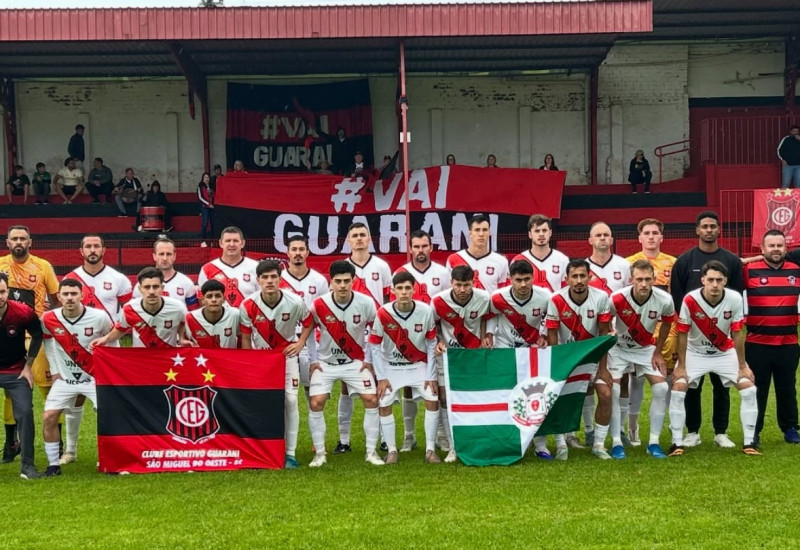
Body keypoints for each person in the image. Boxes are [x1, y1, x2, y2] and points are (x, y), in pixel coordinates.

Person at [669, 260, 759, 457]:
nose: (715, 284)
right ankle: (678, 442)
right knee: (678, 387)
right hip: (695, 352)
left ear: (725, 280)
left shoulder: (734, 298)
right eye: (710, 280)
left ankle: (747, 442)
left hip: (724, 352)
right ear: (703, 280)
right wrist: (681, 366)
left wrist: (743, 366)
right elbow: (682, 333)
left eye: (719, 280)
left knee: (749, 388)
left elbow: (737, 333)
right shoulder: (690, 299)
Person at [671, 211, 744, 449]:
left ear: (719, 230)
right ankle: (692, 431)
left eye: (713, 226)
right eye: (705, 226)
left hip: (723, 337)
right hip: (694, 337)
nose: (709, 230)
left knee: (722, 387)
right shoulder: (684, 261)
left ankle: (721, 432)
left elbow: (737, 296)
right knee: (692, 386)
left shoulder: (731, 261)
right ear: (697, 230)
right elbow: (677, 297)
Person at [61, 234, 133, 465]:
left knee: (109, 400)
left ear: (104, 249)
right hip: (77, 347)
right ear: (80, 251)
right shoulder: (71, 278)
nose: (93, 250)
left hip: (109, 347)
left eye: (96, 246)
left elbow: (128, 310)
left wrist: (113, 335)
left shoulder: (119, 279)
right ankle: (70, 451)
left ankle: (111, 450)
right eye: (88, 246)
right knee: (76, 398)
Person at [240, 260, 314, 470]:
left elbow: (309, 323)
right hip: (261, 359)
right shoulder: (247, 305)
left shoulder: (295, 301)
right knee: (261, 403)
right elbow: (245, 338)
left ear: (280, 279)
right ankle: (263, 449)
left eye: (273, 277)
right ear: (258, 281)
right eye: (265, 277)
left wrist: (300, 342)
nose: (269, 281)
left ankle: (290, 453)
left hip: (287, 356)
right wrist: (249, 363)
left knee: (290, 401)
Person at [306, 261, 381, 468]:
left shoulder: (366, 303)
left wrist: (369, 360)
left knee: (371, 399)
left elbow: (376, 333)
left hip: (355, 362)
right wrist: (313, 360)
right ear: (331, 282)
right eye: (337, 281)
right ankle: (320, 454)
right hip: (325, 363)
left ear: (353, 281)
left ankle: (371, 452)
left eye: (346, 281)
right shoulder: (318, 304)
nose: (342, 286)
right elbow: (309, 332)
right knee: (316, 402)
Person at [40, 279, 112, 477]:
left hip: (94, 378)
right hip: (65, 380)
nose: (70, 298)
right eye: (66, 294)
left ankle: (108, 460)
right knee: (49, 417)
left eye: (74, 293)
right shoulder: (48, 318)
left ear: (82, 296)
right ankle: (53, 465)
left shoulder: (99, 317)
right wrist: (55, 370)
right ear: (59, 296)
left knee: (108, 415)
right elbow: (47, 343)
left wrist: (110, 373)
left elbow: (113, 342)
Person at [0, 225, 59, 464]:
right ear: (7, 242)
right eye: (14, 238)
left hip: (34, 333)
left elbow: (55, 299)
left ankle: (57, 441)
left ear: (30, 242)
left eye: (23, 238)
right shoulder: (1, 265)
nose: (18, 242)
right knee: (10, 391)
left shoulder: (43, 266)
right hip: (7, 334)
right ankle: (10, 443)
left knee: (47, 386)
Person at [369, 271, 440, 464]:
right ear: (392, 290)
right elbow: (374, 344)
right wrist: (381, 377)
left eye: (407, 288)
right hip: (391, 367)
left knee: (433, 399)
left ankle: (430, 450)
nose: (404, 292)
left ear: (413, 290)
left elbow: (432, 343)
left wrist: (431, 375)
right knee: (384, 403)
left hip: (418, 365)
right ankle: (392, 450)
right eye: (399, 288)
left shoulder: (425, 310)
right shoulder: (383, 312)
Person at [607, 260, 675, 460]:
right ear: (631, 280)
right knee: (615, 389)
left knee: (662, 388)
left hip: (646, 349)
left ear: (654, 279)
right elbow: (604, 320)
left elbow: (667, 323)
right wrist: (611, 333)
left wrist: (658, 352)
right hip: (618, 348)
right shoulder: (617, 298)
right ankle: (617, 443)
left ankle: (653, 442)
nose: (644, 284)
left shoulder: (664, 299)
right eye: (639, 279)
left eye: (648, 279)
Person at [546, 259, 612, 460]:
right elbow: (552, 338)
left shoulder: (601, 298)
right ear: (566, 279)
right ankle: (560, 445)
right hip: (566, 359)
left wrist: (603, 369)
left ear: (590, 277)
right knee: (556, 397)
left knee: (606, 393)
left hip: (592, 358)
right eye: (574, 276)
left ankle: (599, 444)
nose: (579, 280)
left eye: (583, 276)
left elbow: (603, 336)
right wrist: (558, 369)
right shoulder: (556, 300)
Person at [337, 222, 392, 454]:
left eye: (362, 235)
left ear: (369, 239)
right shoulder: (342, 267)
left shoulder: (382, 266)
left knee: (379, 384)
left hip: (377, 333)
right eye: (354, 236)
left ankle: (382, 437)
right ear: (348, 240)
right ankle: (344, 440)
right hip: (350, 334)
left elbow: (388, 300)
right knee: (345, 386)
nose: (359, 239)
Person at [394, 230, 451, 452]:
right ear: (410, 249)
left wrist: (439, 336)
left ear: (431, 247)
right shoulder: (401, 272)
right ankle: (409, 436)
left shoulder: (442, 273)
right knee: (408, 386)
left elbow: (448, 306)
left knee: (438, 386)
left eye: (424, 246)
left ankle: (441, 434)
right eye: (416, 247)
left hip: (435, 338)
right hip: (409, 339)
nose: (420, 251)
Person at [743, 230, 800, 446]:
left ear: (786, 248)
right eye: (771, 246)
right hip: (758, 344)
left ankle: (791, 428)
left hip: (789, 343)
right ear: (762, 249)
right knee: (757, 389)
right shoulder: (749, 271)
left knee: (788, 387)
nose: (776, 249)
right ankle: (753, 431)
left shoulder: (796, 270)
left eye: (780, 245)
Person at [490, 260, 552, 458]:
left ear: (533, 278)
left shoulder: (545, 297)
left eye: (527, 279)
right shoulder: (498, 297)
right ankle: (509, 440)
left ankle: (540, 444)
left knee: (537, 396)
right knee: (505, 396)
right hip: (504, 350)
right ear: (510, 279)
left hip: (532, 351)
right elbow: (490, 317)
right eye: (518, 280)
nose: (523, 284)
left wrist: (542, 334)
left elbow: (549, 319)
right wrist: (490, 334)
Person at [432, 265, 494, 463]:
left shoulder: (484, 298)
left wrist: (489, 334)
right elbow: (431, 325)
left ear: (473, 283)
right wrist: (438, 341)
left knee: (476, 398)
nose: (462, 290)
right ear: (451, 283)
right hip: (448, 356)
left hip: (474, 355)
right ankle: (452, 445)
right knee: (444, 398)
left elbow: (490, 318)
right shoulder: (438, 301)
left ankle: (476, 441)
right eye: (458, 285)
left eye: (466, 285)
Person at [624, 218, 678, 446]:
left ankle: (666, 424)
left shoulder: (673, 263)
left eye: (656, 232)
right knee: (635, 381)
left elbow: (675, 297)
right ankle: (632, 427)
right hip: (638, 329)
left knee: (664, 379)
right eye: (646, 232)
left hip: (666, 330)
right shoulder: (628, 262)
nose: (651, 236)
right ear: (640, 237)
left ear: (662, 237)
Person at [0, 272, 43, 479]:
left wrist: (28, 365)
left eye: (1, 292)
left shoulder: (22, 311)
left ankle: (28, 467)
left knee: (25, 413)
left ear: (7, 291)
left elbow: (37, 334)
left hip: (16, 371)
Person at [279, 235, 329, 407]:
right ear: (287, 252)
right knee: (285, 396)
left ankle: (317, 433)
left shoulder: (319, 280)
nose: (298, 253)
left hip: (311, 344)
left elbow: (323, 314)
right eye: (294, 249)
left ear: (307, 252)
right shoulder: (278, 280)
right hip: (285, 342)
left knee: (314, 398)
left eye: (301, 249)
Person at [90, 267, 189, 349]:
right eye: (147, 287)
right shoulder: (130, 308)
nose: (151, 291)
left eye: (155, 287)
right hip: (140, 359)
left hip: (168, 358)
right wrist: (105, 339)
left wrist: (181, 338)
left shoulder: (178, 308)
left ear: (162, 288)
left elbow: (184, 323)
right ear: (140, 289)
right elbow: (121, 329)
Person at [197, 226, 259, 308]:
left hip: (247, 319)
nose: (232, 244)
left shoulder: (255, 267)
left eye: (236, 241)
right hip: (220, 320)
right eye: (228, 241)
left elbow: (262, 297)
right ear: (221, 243)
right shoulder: (207, 269)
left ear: (243, 243)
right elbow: (201, 299)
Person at [446, 214, 509, 294]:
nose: (481, 234)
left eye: (485, 230)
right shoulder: (453, 259)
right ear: (470, 233)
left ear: (489, 233)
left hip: (489, 306)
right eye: (477, 230)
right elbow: (448, 290)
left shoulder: (501, 261)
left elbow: (504, 292)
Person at [134, 237, 199, 311]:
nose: (165, 258)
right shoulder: (142, 284)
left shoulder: (186, 283)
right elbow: (136, 312)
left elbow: (193, 313)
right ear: (154, 256)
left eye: (168, 254)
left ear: (174, 256)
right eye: (161, 254)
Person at [513, 214, 569, 294]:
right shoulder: (519, 260)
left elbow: (566, 291)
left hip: (553, 305)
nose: (541, 234)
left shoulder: (562, 260)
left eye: (544, 230)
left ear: (550, 233)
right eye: (537, 231)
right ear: (530, 234)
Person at [185, 280, 240, 349]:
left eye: (218, 296)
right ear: (202, 300)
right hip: (202, 359)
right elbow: (185, 345)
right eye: (209, 296)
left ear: (224, 299)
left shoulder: (235, 315)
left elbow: (243, 340)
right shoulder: (190, 318)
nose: (214, 300)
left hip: (228, 358)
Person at [197, 172, 214, 241]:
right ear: (203, 179)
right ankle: (202, 240)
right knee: (205, 223)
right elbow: (200, 197)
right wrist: (208, 204)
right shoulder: (200, 186)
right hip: (205, 207)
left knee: (213, 224)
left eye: (208, 177)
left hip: (212, 207)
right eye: (205, 177)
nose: (207, 179)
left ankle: (213, 240)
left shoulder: (212, 186)